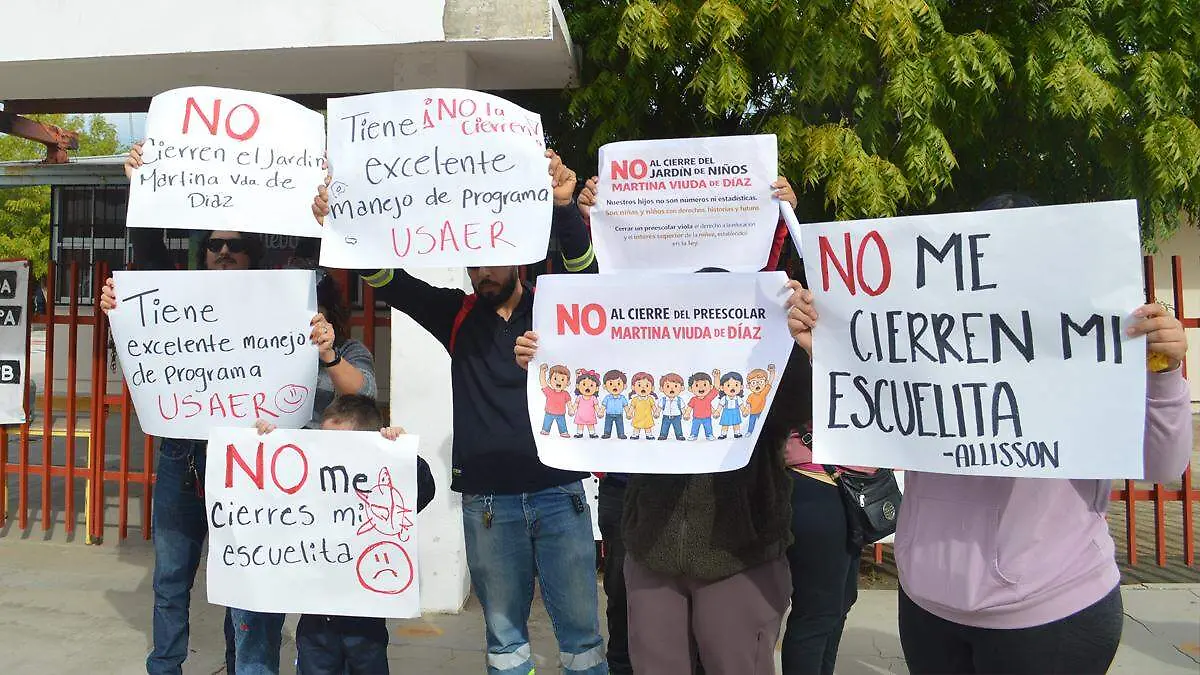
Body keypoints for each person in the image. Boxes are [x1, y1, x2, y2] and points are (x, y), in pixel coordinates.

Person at [785, 193, 1194, 675]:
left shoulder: (1082, 344)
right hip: (928, 610)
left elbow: (1164, 466)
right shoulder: (925, 347)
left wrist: (1164, 375)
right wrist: (830, 351)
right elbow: (870, 418)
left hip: (1052, 614)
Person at [312, 149, 607, 675]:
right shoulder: (456, 312)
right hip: (489, 503)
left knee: (583, 642)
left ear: (518, 258)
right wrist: (343, 227)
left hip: (561, 495)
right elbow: (389, 281)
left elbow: (588, 268)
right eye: (473, 262)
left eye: (493, 260)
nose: (482, 272)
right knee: (505, 642)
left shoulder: (558, 304)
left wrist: (565, 209)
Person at [110, 143, 374, 675]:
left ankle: (244, 668)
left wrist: (320, 202)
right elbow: (149, 273)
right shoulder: (180, 297)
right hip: (182, 460)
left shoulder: (286, 312)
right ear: (203, 255)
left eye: (234, 246)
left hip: (253, 469)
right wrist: (142, 190)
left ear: (254, 257)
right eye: (213, 246)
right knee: (170, 581)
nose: (223, 253)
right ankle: (165, 667)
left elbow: (361, 384)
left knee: (249, 585)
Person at [254, 394, 435, 675]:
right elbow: (270, 492)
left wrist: (404, 455)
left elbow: (422, 491)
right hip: (316, 620)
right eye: (326, 442)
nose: (331, 452)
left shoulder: (379, 485)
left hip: (366, 619)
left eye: (341, 444)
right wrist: (266, 442)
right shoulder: (311, 483)